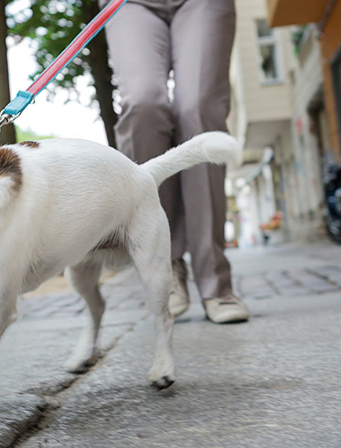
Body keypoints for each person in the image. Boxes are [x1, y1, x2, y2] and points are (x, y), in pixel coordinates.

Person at [104, 0, 249, 323]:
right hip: (131, 4)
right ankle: (164, 266)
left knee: (198, 107)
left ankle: (216, 282)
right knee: (142, 103)